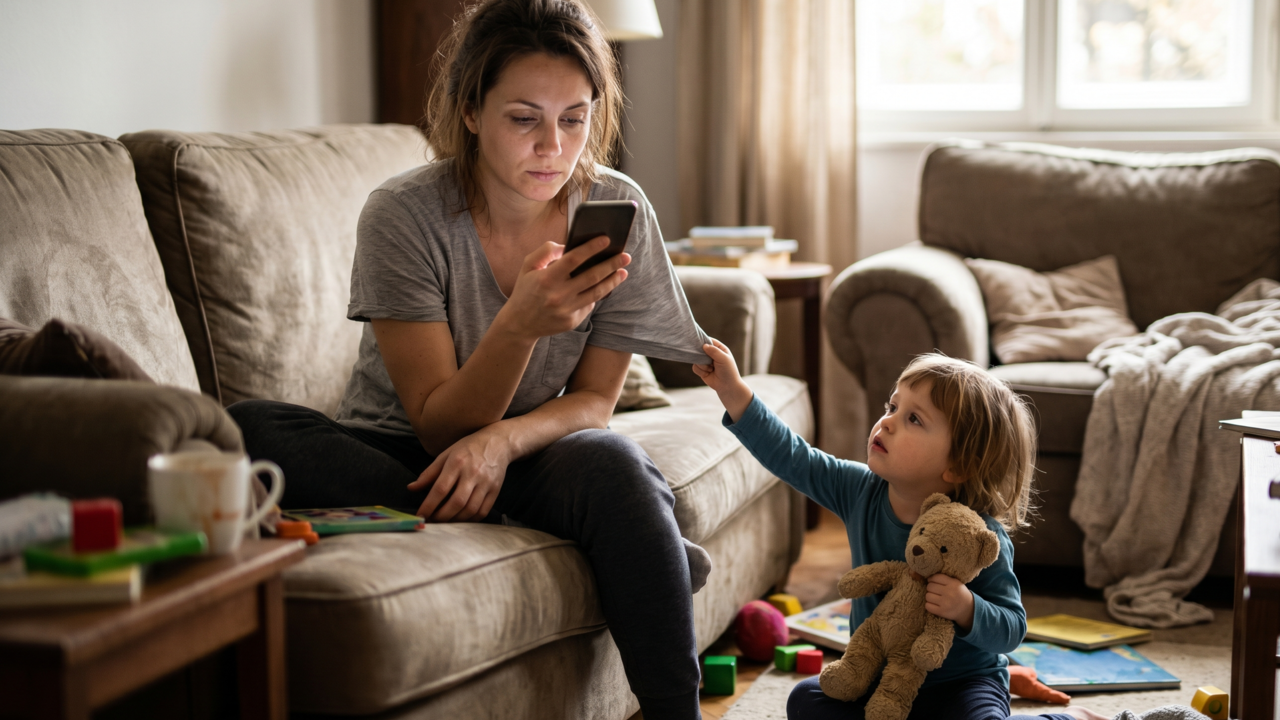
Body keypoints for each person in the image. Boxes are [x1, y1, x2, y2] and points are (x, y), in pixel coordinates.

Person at [229, 1, 712, 717]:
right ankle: (634, 542)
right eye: (524, 118)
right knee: (248, 430)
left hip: (537, 447)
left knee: (614, 465)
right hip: (400, 450)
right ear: (471, 111)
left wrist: (500, 444)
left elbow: (594, 405)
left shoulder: (616, 209)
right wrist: (518, 325)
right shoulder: (404, 215)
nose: (554, 145)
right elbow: (438, 426)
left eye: (574, 118)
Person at [694, 343, 1108, 720]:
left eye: (913, 418)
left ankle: (1073, 719)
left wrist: (966, 608)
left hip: (961, 686)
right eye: (891, 406)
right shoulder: (859, 490)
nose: (887, 422)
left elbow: (1012, 627)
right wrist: (733, 392)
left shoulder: (981, 537)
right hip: (879, 680)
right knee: (805, 700)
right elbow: (794, 458)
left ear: (958, 466)